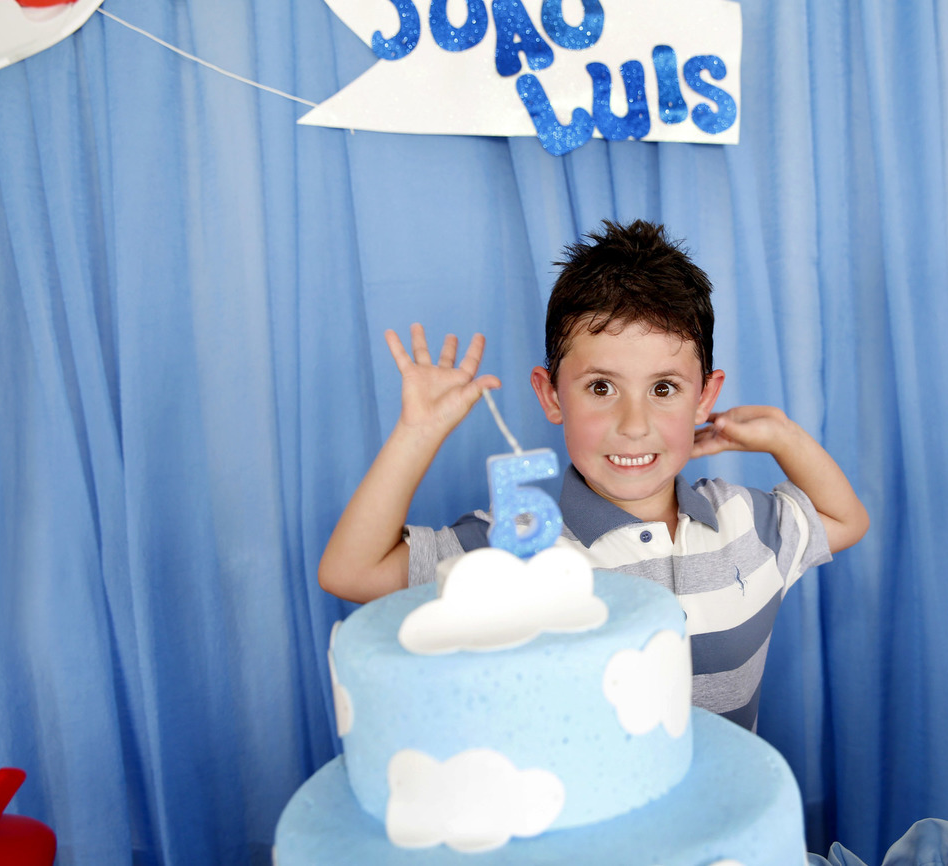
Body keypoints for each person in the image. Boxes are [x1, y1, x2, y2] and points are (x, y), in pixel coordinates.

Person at [319, 219, 869, 730]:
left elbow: (846, 520)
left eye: (664, 388)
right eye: (601, 387)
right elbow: (352, 572)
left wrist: (783, 435)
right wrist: (417, 434)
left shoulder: (743, 520)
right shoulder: (518, 547)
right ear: (551, 395)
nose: (634, 425)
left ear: (705, 396)